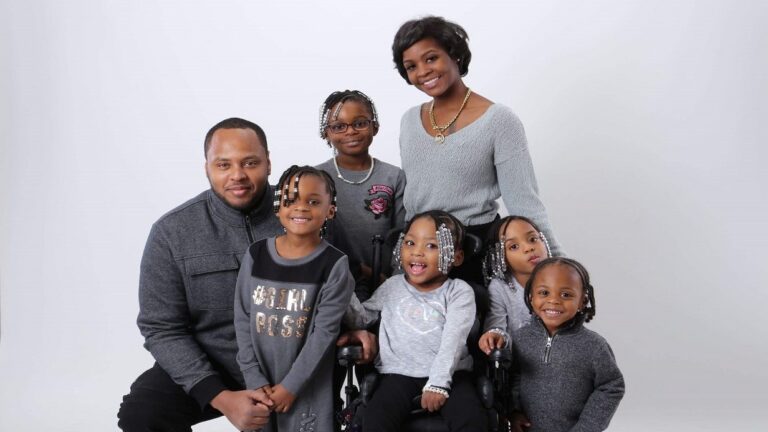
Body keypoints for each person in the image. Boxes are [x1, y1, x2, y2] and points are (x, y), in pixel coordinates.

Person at [117, 118, 374, 432]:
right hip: (215, 363)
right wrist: (219, 396)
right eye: (223, 164)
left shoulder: (306, 208)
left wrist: (356, 326)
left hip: (298, 359)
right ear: (207, 167)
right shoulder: (171, 233)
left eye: (250, 163)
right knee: (141, 414)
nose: (237, 175)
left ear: (268, 163)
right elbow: (161, 327)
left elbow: (354, 278)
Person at [391, 16, 564, 285]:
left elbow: (525, 203)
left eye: (431, 58)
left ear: (455, 55)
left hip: (473, 252)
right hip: (418, 255)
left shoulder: (499, 120)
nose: (422, 71)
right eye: (411, 66)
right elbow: (412, 196)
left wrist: (557, 266)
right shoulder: (409, 121)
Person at [234, 165, 355, 432]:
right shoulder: (256, 255)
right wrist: (253, 377)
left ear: (330, 210)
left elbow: (324, 333)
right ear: (278, 207)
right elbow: (243, 318)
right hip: (259, 386)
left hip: (307, 387)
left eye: (313, 202)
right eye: (291, 200)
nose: (301, 208)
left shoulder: (334, 264)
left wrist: (291, 386)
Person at [345, 210, 488, 431]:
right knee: (375, 419)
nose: (417, 252)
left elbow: (454, 340)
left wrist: (438, 383)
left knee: (472, 419)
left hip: (451, 374)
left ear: (456, 257)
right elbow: (362, 319)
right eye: (410, 243)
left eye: (431, 246)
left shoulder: (458, 292)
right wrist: (342, 291)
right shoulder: (392, 286)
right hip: (398, 374)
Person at [511, 257, 625, 432]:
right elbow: (513, 379)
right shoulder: (520, 338)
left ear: (582, 301)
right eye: (544, 293)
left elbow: (611, 386)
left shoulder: (594, 345)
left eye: (566, 295)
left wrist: (585, 428)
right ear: (531, 296)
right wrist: (514, 412)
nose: (553, 301)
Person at [316, 89, 406, 300]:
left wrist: (396, 281)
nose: (350, 132)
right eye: (339, 126)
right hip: (332, 284)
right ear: (326, 133)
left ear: (375, 126)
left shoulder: (394, 176)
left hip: (387, 283)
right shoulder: (316, 178)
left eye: (360, 123)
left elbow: (403, 235)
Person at [478, 215, 552, 354]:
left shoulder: (560, 278)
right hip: (518, 360)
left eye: (532, 239)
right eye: (514, 246)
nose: (528, 248)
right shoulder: (500, 287)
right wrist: (495, 335)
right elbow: (496, 325)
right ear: (500, 257)